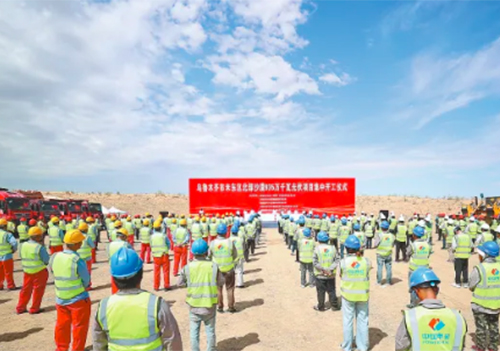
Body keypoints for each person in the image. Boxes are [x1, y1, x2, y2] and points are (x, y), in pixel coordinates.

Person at [93, 247, 183, 351]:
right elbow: (172, 340)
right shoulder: (156, 304)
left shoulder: (103, 307)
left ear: (113, 278)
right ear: (141, 274)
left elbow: (98, 344)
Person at [395, 268, 467, 351]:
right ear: (437, 289)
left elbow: (400, 347)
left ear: (416, 291)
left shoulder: (411, 317)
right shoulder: (458, 318)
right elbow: (461, 345)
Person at [50, 230, 92, 351]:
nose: (81, 244)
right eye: (80, 242)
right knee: (79, 327)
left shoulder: (55, 257)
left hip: (61, 298)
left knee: (62, 326)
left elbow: (53, 271)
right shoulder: (76, 260)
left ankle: (61, 348)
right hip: (78, 299)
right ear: (75, 244)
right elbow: (86, 280)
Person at [179, 239, 221, 351]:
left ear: (192, 252)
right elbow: (221, 282)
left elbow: (180, 283)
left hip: (194, 305)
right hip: (209, 305)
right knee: (210, 331)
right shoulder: (214, 266)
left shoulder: (187, 267)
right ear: (206, 252)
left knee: (194, 332)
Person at [340, 235, 371, 351]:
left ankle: (347, 346)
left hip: (348, 296)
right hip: (363, 296)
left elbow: (340, 274)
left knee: (347, 321)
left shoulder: (343, 262)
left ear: (346, 248)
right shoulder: (367, 262)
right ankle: (362, 347)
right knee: (363, 321)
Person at [469, 241, 500, 351]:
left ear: (484, 255)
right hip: (496, 305)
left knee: (481, 328)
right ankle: (493, 347)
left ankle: (481, 347)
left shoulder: (480, 268)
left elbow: (471, 285)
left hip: (480, 305)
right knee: (494, 327)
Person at [16, 226, 50, 314]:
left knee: (25, 290)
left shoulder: (23, 245)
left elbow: (20, 255)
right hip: (39, 271)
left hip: (27, 271)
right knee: (38, 291)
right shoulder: (39, 247)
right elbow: (46, 260)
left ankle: (20, 307)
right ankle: (34, 308)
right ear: (38, 236)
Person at [209, 223, 238, 313]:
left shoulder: (213, 243)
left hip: (217, 270)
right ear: (226, 232)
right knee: (230, 288)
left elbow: (209, 255)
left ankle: (220, 306)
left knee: (218, 288)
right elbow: (235, 254)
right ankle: (231, 307)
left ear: (217, 232)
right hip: (229, 269)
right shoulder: (230, 242)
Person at [313, 231, 339, 311]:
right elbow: (337, 260)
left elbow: (315, 262)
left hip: (320, 274)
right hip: (330, 274)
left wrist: (323, 269)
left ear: (318, 239)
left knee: (321, 291)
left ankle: (321, 306)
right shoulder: (333, 248)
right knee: (332, 290)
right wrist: (330, 269)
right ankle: (334, 306)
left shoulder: (317, 249)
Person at [406, 226, 432, 308]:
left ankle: (414, 304)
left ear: (414, 235)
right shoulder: (427, 244)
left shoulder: (413, 245)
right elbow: (429, 253)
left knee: (414, 287)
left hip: (414, 269)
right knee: (424, 287)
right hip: (425, 269)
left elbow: (407, 253)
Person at [108, 228, 132, 294]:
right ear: (123, 236)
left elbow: (108, 255)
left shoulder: (110, 244)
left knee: (114, 282)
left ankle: (115, 295)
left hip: (113, 266)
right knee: (124, 284)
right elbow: (132, 255)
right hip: (124, 266)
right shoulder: (125, 244)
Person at [151, 224, 172, 291]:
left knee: (156, 272)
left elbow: (151, 245)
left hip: (156, 256)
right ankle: (166, 285)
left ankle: (156, 286)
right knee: (166, 271)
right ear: (160, 228)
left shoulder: (151, 237)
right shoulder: (163, 236)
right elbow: (168, 244)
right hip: (164, 255)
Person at [374, 220, 395, 287]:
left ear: (381, 227)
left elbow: (375, 244)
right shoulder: (392, 236)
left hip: (380, 254)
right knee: (388, 268)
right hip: (388, 254)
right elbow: (392, 244)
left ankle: (379, 281)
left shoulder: (379, 235)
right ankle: (388, 282)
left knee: (380, 268)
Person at [0, 218, 18, 290]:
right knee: (8, 272)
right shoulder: (7, 234)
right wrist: (13, 249)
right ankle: (10, 285)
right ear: (5, 226)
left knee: (0, 273)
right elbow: (14, 243)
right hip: (7, 256)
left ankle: (0, 285)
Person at [77, 222, 95, 290]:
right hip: (87, 258)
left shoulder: (77, 237)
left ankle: (81, 286)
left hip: (79, 258)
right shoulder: (87, 237)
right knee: (87, 272)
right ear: (86, 229)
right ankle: (87, 286)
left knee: (80, 272)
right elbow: (92, 246)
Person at [229, 224, 245, 288]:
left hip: (232, 257)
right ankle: (240, 284)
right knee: (239, 270)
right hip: (239, 257)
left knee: (231, 271)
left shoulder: (228, 240)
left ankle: (231, 284)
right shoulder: (240, 239)